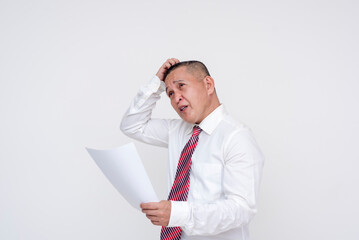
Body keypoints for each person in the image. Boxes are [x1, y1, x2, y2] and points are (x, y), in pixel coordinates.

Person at [120, 58, 264, 240]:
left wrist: (179, 213)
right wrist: (156, 84)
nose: (176, 97)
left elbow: (241, 210)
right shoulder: (177, 131)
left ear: (208, 85)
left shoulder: (237, 137)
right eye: (170, 93)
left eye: (181, 86)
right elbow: (131, 125)